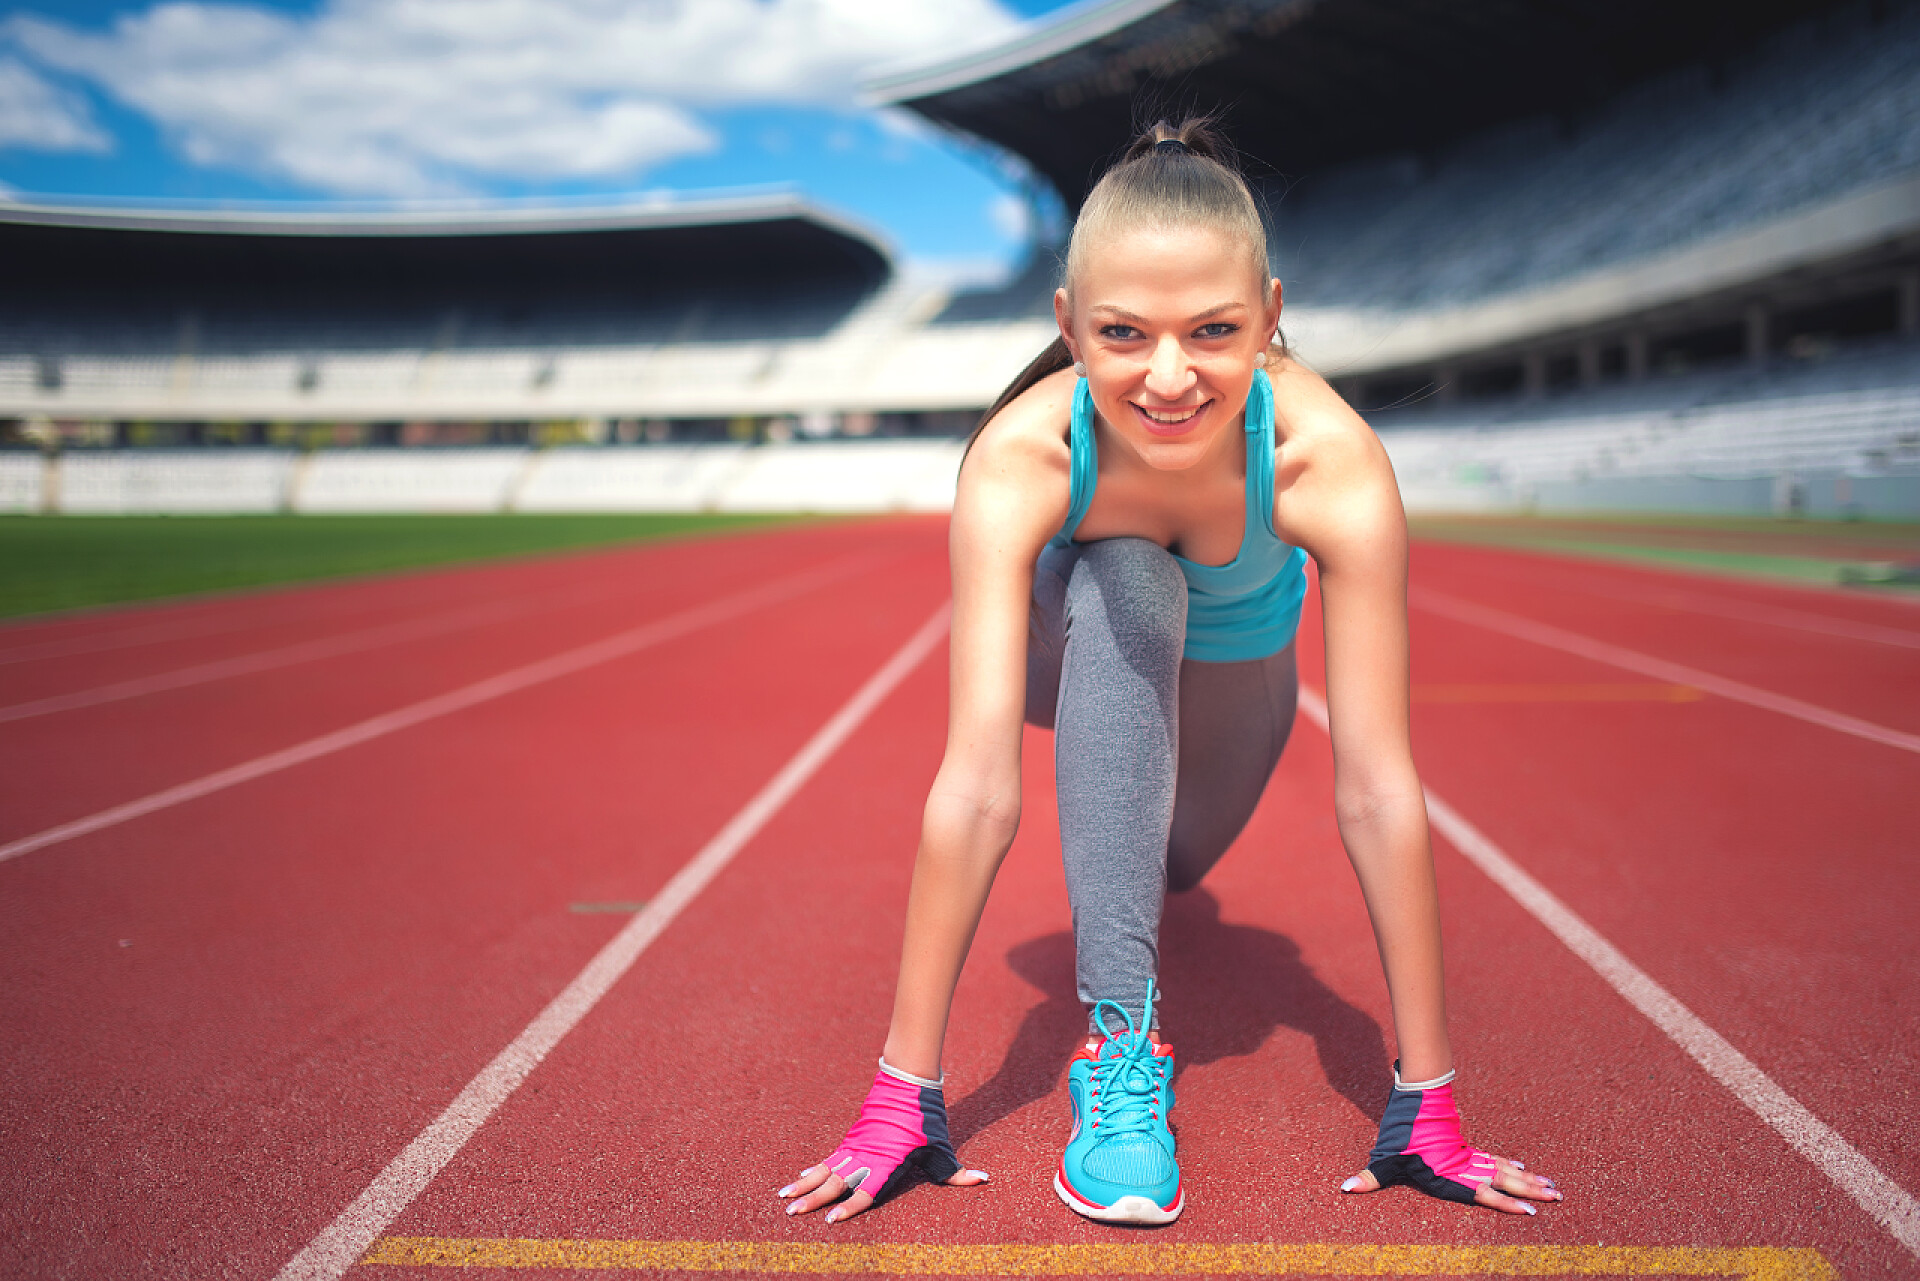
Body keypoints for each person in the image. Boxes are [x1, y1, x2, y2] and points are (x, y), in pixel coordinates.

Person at [777, 118, 1562, 1225]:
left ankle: (1142, 872)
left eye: (1215, 330)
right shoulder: (1027, 452)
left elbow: (1379, 785)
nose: (1171, 375)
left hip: (1240, 678)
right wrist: (900, 1098)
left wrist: (1428, 1105)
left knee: (1171, 863)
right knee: (1129, 580)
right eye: (1122, 332)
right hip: (1077, 656)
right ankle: (1121, 1063)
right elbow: (978, 781)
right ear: (1067, 325)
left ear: (1273, 317)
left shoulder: (1324, 462)